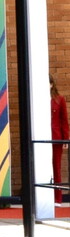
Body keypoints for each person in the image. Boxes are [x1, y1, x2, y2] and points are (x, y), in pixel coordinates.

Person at [50, 74, 69, 203]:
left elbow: (64, 120)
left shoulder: (59, 99)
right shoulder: (37, 99)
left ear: (51, 84)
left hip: (56, 137)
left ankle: (57, 198)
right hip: (40, 137)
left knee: (56, 166)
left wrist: (65, 139)